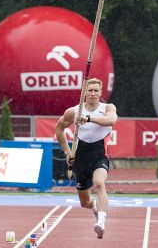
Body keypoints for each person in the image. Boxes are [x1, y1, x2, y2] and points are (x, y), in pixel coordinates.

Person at [55, 78, 117, 239]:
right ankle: (96, 209)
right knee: (85, 203)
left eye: (96, 90)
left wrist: (88, 119)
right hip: (80, 159)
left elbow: (112, 120)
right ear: (84, 93)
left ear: (100, 92)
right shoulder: (73, 112)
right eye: (90, 90)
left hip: (99, 156)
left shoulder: (107, 108)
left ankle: (101, 223)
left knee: (99, 183)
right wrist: (68, 152)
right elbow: (59, 129)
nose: (93, 93)